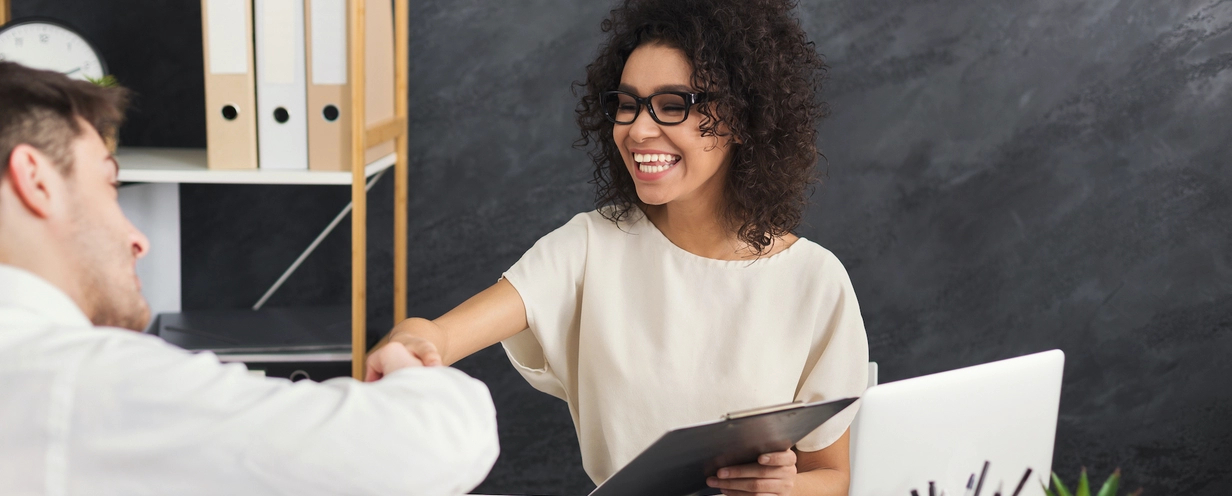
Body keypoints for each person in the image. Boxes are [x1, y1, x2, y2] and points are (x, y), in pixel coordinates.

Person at [371, 0, 870, 495]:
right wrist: (413, 341)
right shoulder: (590, 247)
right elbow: (440, 336)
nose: (638, 129)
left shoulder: (814, 281)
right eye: (627, 104)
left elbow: (832, 476)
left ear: (741, 119)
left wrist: (785, 490)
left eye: (673, 105)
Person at [0, 60, 498, 495]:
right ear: (36, 180)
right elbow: (435, 440)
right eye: (110, 185)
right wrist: (406, 368)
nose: (138, 239)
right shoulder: (83, 383)